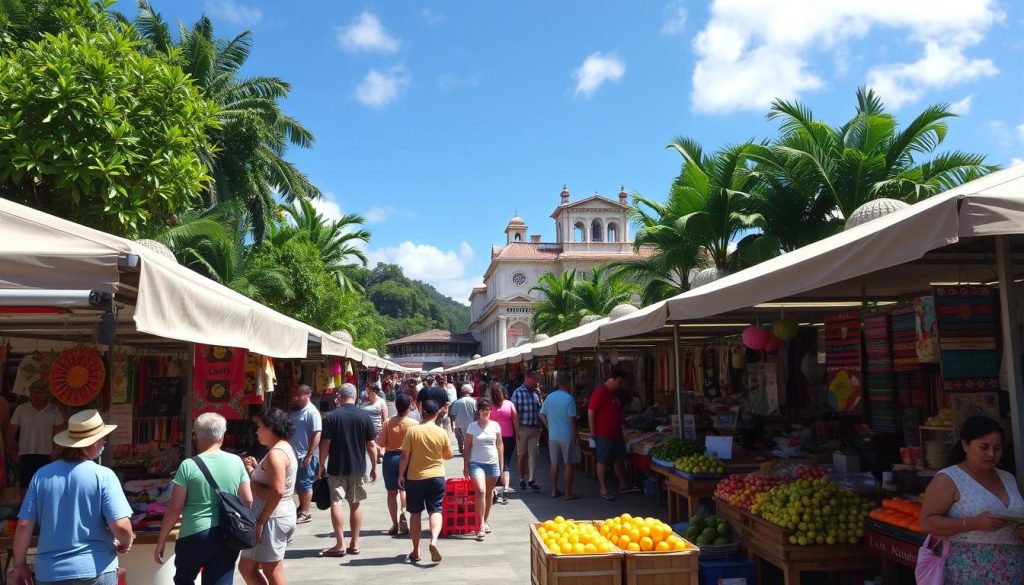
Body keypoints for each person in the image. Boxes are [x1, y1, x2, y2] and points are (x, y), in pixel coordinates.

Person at [12, 409, 132, 585]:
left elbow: (24, 525)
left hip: (50, 573)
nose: (104, 442)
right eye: (102, 438)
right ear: (93, 443)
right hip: (96, 570)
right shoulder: (104, 476)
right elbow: (121, 526)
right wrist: (126, 540)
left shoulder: (42, 476)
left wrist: (19, 564)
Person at [920, 416, 1024, 583]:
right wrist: (971, 524)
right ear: (965, 445)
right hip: (969, 571)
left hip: (1013, 570)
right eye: (984, 447)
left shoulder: (1009, 478)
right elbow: (926, 523)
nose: (991, 454)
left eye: (997, 448)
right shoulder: (949, 479)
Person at [156, 412, 252, 585]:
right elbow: (248, 499)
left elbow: (174, 508)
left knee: (184, 580)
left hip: (194, 534)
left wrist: (161, 539)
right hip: (226, 534)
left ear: (196, 435)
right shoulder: (236, 461)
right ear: (222, 435)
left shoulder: (188, 465)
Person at [318, 383, 377, 557]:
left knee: (336, 503)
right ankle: (355, 542)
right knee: (355, 503)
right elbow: (371, 444)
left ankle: (340, 544)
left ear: (339, 396)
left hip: (336, 467)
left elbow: (325, 443)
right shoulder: (364, 416)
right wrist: (373, 466)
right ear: (355, 395)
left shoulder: (331, 417)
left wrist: (321, 464)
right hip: (358, 467)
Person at [239, 408, 297, 585]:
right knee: (247, 568)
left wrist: (261, 521)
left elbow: (277, 491)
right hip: (275, 515)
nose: (257, 431)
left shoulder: (276, 453)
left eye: (259, 427)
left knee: (272, 571)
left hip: (271, 518)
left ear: (271, 427)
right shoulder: (281, 447)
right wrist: (254, 469)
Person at [398, 400, 453, 564]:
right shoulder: (441, 432)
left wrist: (401, 475)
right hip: (437, 476)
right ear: (437, 414)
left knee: (415, 513)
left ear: (422, 411)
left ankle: (416, 550)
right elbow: (448, 455)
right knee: (435, 509)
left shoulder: (413, 431)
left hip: (415, 478)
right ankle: (434, 540)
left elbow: (405, 455)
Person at [588, 368, 636, 500]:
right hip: (603, 434)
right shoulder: (600, 392)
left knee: (619, 459)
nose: (621, 384)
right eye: (620, 381)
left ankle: (624, 485)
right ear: (613, 379)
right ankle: (603, 489)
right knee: (602, 460)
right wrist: (592, 430)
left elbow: (616, 410)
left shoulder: (614, 393)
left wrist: (622, 421)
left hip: (617, 433)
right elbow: (591, 411)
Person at [7, 386, 64, 491]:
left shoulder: (54, 410)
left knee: (45, 489)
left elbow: (59, 435)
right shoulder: (21, 409)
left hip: (47, 455)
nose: (36, 395)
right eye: (33, 392)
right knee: (26, 489)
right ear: (29, 393)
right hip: (25, 455)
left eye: (39, 392)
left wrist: (56, 452)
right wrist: (12, 453)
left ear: (46, 393)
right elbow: (10, 433)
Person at [463, 397, 503, 541]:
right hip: (476, 463)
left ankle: (485, 521)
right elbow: (466, 447)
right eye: (483, 410)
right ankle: (480, 525)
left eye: (488, 410)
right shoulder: (472, 427)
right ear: (478, 411)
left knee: (489, 493)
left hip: (492, 463)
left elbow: (499, 444)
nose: (486, 412)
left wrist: (501, 463)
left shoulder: (495, 426)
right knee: (480, 491)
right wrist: (465, 464)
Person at [378, 394, 416, 536]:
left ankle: (394, 524)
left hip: (390, 459)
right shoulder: (413, 424)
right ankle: (404, 512)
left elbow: (380, 443)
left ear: (396, 406)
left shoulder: (388, 422)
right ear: (408, 407)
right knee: (404, 489)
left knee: (391, 493)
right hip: (407, 458)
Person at [540, 373, 580, 500]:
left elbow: (541, 414)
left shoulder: (550, 397)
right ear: (568, 384)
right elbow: (572, 419)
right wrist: (575, 434)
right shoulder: (569, 399)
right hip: (566, 435)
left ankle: (554, 490)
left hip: (553, 436)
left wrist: (548, 426)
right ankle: (568, 493)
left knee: (554, 463)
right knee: (568, 464)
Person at [288, 384, 321, 525]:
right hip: (296, 454)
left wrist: (310, 455)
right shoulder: (299, 410)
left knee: (305, 484)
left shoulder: (311, 412)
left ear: (308, 396)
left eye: (300, 395)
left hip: (305, 455)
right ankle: (302, 508)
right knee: (299, 484)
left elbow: (317, 434)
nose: (297, 398)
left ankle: (306, 512)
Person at [511, 371, 543, 493]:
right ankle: (521, 477)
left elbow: (540, 409)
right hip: (522, 428)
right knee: (521, 455)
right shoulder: (518, 392)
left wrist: (540, 425)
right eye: (535, 380)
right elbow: (514, 414)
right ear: (528, 379)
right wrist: (517, 429)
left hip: (534, 428)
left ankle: (531, 479)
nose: (537, 382)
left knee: (533, 454)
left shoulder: (536, 392)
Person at [489, 383, 518, 504]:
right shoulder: (509, 404)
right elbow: (515, 419)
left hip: (494, 437)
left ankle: (494, 488)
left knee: (494, 461)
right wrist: (518, 433)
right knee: (506, 462)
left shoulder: (489, 406)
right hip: (509, 436)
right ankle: (506, 488)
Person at [449, 385, 478, 454]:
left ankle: (462, 449)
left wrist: (452, 424)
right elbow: (477, 414)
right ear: (471, 392)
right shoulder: (474, 402)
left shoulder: (457, 402)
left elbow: (453, 415)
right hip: (471, 424)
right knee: (470, 440)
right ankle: (469, 451)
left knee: (461, 439)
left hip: (459, 424)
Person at [359, 386, 389, 453]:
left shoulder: (381, 402)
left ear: (375, 392)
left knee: (376, 451)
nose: (367, 393)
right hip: (364, 431)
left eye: (369, 391)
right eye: (367, 391)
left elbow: (385, 419)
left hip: (377, 431)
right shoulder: (363, 401)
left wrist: (384, 432)